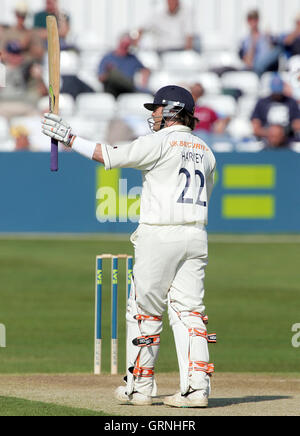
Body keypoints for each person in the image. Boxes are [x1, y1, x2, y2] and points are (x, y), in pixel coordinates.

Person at [41, 85, 216, 408]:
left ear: (173, 111)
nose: (153, 115)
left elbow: (108, 156)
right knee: (189, 312)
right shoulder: (206, 150)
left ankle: (140, 387)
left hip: (159, 234)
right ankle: (197, 388)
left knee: (143, 310)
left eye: (157, 109)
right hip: (196, 235)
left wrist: (68, 138)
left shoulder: (160, 142)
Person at [98, 33, 150, 98]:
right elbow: (100, 78)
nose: (124, 47)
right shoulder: (107, 58)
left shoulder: (132, 58)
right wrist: (109, 74)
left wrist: (144, 80)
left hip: (127, 89)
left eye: (127, 45)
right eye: (123, 44)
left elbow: (145, 70)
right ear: (119, 43)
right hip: (113, 89)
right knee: (113, 73)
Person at [251, 73, 300, 141]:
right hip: (265, 140)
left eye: (278, 92)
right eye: (275, 92)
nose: (277, 94)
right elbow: (255, 127)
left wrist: (282, 132)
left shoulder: (291, 102)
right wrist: (272, 133)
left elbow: (297, 124)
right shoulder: (262, 102)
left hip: (288, 139)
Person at [239, 9, 281, 76]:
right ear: (248, 21)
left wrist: (269, 39)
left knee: (278, 49)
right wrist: (253, 41)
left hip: (265, 68)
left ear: (258, 20)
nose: (253, 22)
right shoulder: (245, 40)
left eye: (255, 19)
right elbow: (247, 61)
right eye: (250, 19)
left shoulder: (265, 36)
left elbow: (270, 55)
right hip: (253, 68)